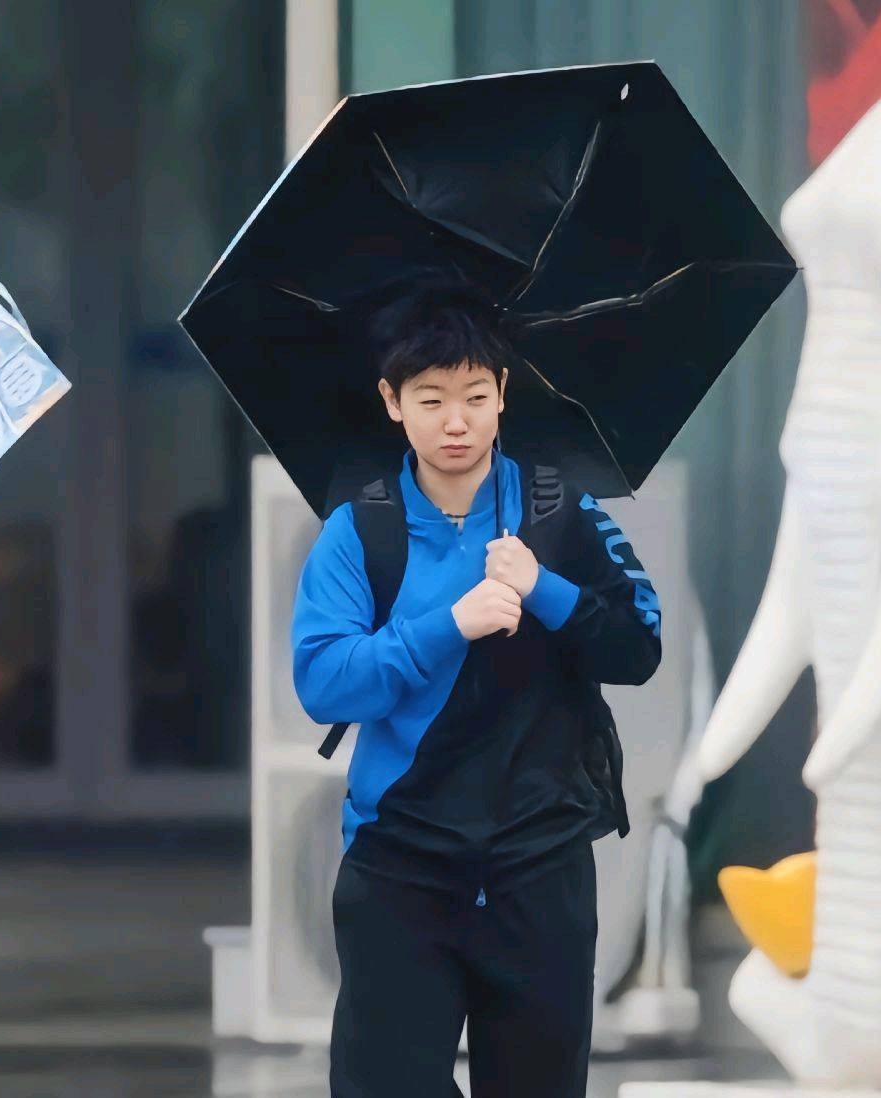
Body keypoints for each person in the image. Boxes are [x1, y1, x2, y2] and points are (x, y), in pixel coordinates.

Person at [292, 283, 661, 1098]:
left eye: (474, 396)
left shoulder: (564, 510)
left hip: (541, 869)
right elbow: (323, 682)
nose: (454, 421)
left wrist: (545, 589)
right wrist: (448, 624)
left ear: (503, 395)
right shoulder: (361, 528)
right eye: (430, 400)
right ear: (392, 402)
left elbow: (640, 646)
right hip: (400, 867)